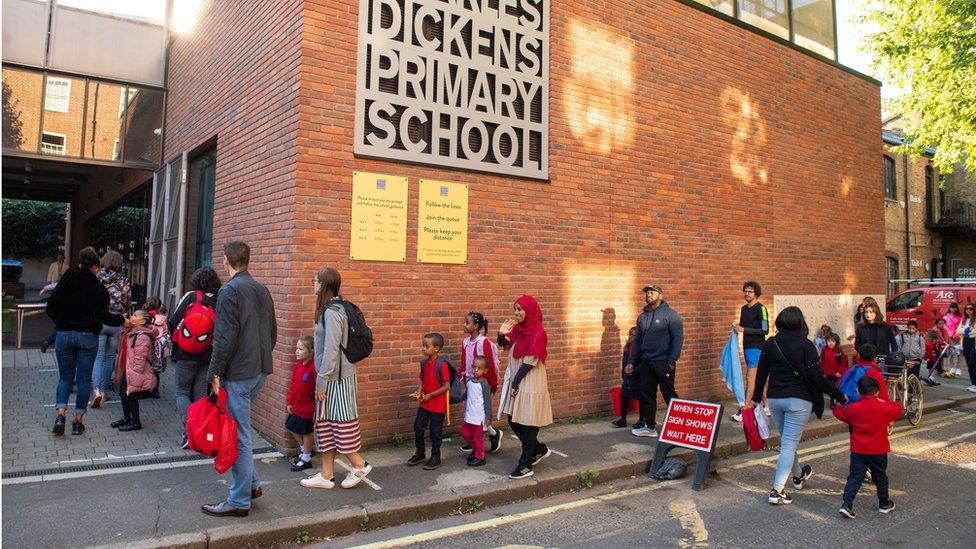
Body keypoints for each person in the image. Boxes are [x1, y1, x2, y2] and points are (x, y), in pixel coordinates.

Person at [202, 241, 277, 517]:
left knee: (240, 436)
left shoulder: (229, 290)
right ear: (248, 260)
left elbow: (224, 338)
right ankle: (252, 486)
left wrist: (214, 373)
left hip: (239, 374)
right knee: (242, 431)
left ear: (225, 261)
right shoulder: (262, 289)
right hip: (259, 370)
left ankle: (238, 500)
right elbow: (272, 333)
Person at [751, 306, 847, 505]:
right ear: (799, 322)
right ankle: (777, 491)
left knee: (788, 442)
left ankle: (798, 476)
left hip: (776, 399)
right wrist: (839, 395)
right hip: (799, 400)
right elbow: (816, 378)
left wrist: (756, 398)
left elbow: (761, 373)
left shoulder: (771, 344)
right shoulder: (806, 345)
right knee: (788, 444)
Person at [301, 268, 372, 489]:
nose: (312, 284)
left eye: (315, 281)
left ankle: (360, 465)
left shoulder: (332, 312)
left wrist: (321, 381)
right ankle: (327, 474)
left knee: (341, 424)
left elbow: (331, 350)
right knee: (325, 425)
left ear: (323, 284)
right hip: (334, 376)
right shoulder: (334, 307)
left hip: (335, 379)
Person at [46, 246, 124, 436]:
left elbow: (51, 308)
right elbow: (104, 317)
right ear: (96, 267)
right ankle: (78, 421)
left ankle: (61, 415)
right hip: (88, 337)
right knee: (83, 380)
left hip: (64, 335)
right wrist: (122, 320)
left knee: (65, 377)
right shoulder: (98, 288)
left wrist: (61, 323)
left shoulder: (65, 281)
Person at [498, 295, 554, 480]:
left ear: (530, 311)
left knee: (528, 423)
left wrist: (515, 383)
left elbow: (530, 362)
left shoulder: (538, 332)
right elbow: (505, 344)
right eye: (515, 309)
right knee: (513, 419)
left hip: (530, 382)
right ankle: (538, 449)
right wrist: (500, 334)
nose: (516, 313)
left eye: (520, 309)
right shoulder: (519, 330)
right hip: (519, 380)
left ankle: (525, 464)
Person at [833, 376, 903, 519]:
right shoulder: (884, 407)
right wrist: (884, 401)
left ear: (858, 391)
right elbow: (899, 408)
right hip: (878, 449)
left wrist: (840, 404)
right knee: (880, 477)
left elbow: (838, 412)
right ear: (877, 392)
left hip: (858, 450)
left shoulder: (854, 408)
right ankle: (884, 503)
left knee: (855, 476)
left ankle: (847, 504)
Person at [169, 267, 221, 448]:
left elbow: (173, 320)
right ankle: (200, 433)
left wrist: (176, 343)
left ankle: (190, 431)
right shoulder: (220, 299)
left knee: (182, 392)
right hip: (207, 355)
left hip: (185, 354)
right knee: (200, 394)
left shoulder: (192, 296)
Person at [626, 285, 683, 438]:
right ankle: (649, 426)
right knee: (647, 395)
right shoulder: (642, 317)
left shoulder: (671, 315)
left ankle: (678, 425)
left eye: (652, 292)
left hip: (664, 362)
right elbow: (637, 341)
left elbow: (678, 339)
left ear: (660, 296)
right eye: (647, 293)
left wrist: (672, 360)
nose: (649, 295)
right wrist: (631, 361)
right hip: (646, 362)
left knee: (669, 394)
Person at [458, 311, 503, 454]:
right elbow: (464, 362)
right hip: (471, 383)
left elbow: (489, 364)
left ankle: (492, 436)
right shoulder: (466, 342)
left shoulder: (483, 342)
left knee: (480, 414)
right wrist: (464, 379)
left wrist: (491, 384)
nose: (464, 325)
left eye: (467, 322)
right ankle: (474, 441)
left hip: (482, 384)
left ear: (476, 326)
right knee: (470, 411)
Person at [406, 332, 451, 470]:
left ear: (436, 349)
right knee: (418, 427)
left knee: (435, 432)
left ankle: (435, 457)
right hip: (424, 404)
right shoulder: (424, 363)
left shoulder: (442, 365)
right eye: (423, 346)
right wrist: (419, 391)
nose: (423, 349)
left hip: (437, 406)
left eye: (426, 346)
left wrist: (430, 395)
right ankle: (420, 454)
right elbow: (422, 380)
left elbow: (447, 386)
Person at [91, 250, 131, 408]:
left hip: (99, 321)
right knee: (109, 358)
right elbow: (127, 301)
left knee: (98, 357)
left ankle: (95, 391)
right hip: (116, 322)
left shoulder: (96, 278)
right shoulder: (123, 280)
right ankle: (105, 390)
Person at [110, 310, 161, 431]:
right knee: (123, 394)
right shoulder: (131, 332)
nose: (132, 316)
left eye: (135, 315)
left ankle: (136, 422)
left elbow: (140, 357)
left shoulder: (142, 336)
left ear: (142, 321)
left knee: (132, 397)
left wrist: (135, 372)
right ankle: (127, 418)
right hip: (126, 369)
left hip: (134, 371)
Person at [731, 281, 769, 422]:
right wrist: (737, 326)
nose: (747, 294)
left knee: (750, 378)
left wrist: (744, 329)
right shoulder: (743, 309)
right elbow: (743, 326)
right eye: (745, 291)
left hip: (757, 347)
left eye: (750, 291)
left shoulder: (762, 309)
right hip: (747, 346)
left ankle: (746, 409)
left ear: (756, 293)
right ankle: (767, 405)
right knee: (757, 377)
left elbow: (765, 330)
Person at [286, 336, 317, 471]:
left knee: (306, 433)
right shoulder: (298, 366)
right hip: (296, 406)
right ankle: (305, 450)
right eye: (296, 348)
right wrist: (289, 401)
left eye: (300, 349)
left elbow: (318, 388)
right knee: (291, 427)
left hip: (307, 408)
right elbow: (293, 386)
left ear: (311, 352)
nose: (297, 351)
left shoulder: (313, 368)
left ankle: (307, 459)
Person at [461, 356, 493, 467]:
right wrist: (455, 398)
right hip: (469, 415)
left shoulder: (484, 384)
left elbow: (488, 401)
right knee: (465, 433)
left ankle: (480, 457)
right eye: (474, 367)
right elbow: (465, 396)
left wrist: (488, 417)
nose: (475, 370)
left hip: (479, 417)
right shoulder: (469, 382)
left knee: (478, 438)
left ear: (485, 370)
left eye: (479, 368)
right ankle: (476, 450)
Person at [613, 326, 643, 428]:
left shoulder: (641, 348)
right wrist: (624, 376)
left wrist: (635, 370)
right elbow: (624, 362)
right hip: (627, 378)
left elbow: (643, 363)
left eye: (633, 335)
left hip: (638, 377)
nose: (630, 337)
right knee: (624, 397)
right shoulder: (627, 347)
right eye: (629, 334)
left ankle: (641, 420)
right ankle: (623, 419)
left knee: (641, 398)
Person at [143, 297, 169, 399]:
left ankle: (145, 388)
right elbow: (165, 332)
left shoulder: (144, 316)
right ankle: (155, 391)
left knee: (145, 366)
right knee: (156, 369)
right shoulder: (161, 319)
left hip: (146, 343)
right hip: (158, 346)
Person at [820, 333, 848, 407]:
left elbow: (843, 362)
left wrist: (839, 371)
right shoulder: (824, 349)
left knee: (836, 388)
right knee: (830, 388)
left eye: (832, 341)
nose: (830, 343)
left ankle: (837, 401)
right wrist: (823, 371)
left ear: (836, 342)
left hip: (836, 374)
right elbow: (822, 361)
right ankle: (832, 402)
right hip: (828, 373)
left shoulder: (839, 351)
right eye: (828, 341)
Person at [957, 304, 976, 393]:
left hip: (974, 342)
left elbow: (974, 332)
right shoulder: (964, 320)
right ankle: (973, 384)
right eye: (966, 308)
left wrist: (966, 332)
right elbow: (958, 331)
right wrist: (964, 331)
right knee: (969, 364)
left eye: (970, 308)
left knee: (972, 363)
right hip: (965, 342)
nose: (968, 310)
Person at [943, 302, 963, 376]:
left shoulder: (960, 317)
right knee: (950, 353)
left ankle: (959, 368)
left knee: (960, 353)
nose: (953, 309)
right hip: (949, 337)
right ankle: (952, 368)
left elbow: (961, 326)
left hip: (958, 337)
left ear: (957, 308)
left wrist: (956, 335)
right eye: (951, 307)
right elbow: (945, 327)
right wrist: (950, 335)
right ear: (949, 308)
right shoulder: (945, 317)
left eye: (954, 308)